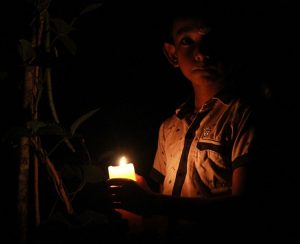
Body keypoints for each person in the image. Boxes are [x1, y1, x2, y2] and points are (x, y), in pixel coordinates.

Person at [107, 3, 264, 243]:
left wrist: (152, 203)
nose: (202, 53)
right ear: (172, 54)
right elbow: (158, 202)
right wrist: (138, 203)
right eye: (187, 41)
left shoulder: (244, 115)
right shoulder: (169, 127)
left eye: (213, 39)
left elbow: (246, 208)